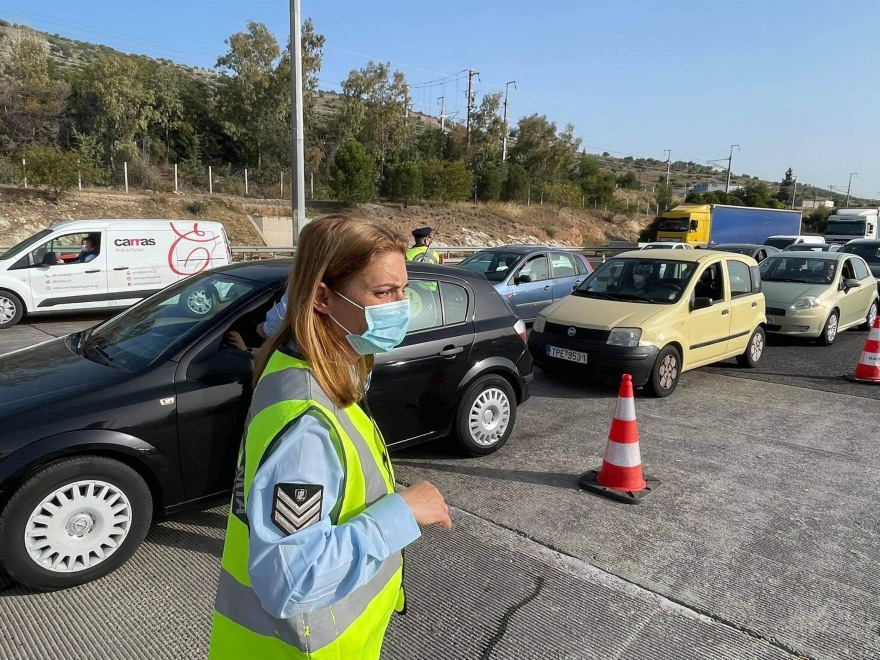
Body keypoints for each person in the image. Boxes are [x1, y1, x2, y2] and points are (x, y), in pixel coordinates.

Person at [209, 216, 451, 659]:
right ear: (322, 296)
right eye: (383, 293)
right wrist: (403, 511)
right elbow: (291, 582)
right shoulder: (307, 419)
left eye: (403, 291)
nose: (400, 306)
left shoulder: (318, 370)